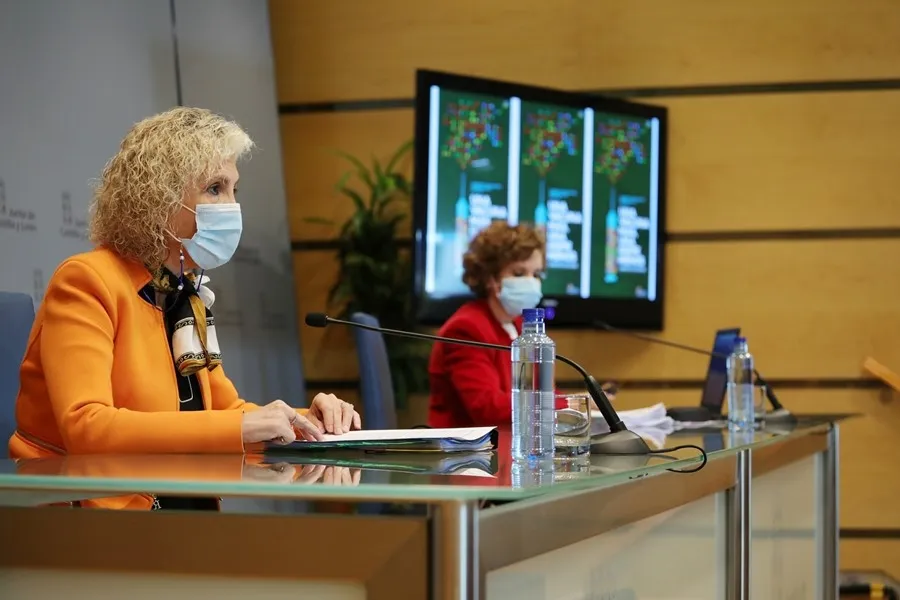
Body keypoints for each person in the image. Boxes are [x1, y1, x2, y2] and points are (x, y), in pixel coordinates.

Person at [9, 107, 360, 509]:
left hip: (174, 515)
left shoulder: (182, 290)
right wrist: (240, 425)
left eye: (233, 189)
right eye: (214, 188)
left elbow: (225, 411)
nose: (231, 205)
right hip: (88, 524)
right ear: (158, 198)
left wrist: (307, 423)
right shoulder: (87, 280)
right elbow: (87, 428)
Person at [427, 221, 614, 428]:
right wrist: (571, 404)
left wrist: (582, 403)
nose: (531, 282)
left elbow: (542, 393)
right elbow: (489, 409)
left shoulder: (519, 324)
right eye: (518, 273)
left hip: (512, 447)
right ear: (491, 278)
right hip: (465, 456)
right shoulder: (465, 328)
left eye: (536, 274)